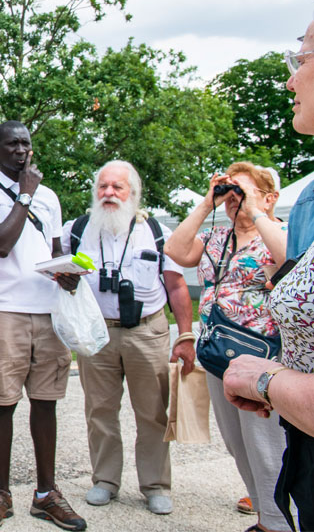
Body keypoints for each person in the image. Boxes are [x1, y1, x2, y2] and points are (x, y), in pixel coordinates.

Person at [0, 121, 87, 531]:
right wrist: (26, 194)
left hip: (48, 309)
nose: (22, 151)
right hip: (4, 311)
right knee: (3, 401)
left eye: (27, 144)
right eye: (13, 144)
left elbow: (52, 251)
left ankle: (46, 493)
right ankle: (1, 491)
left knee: (46, 401)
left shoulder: (49, 198)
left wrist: (65, 274)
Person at [58, 160, 196, 515]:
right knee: (100, 410)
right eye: (103, 187)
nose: (109, 194)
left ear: (133, 194)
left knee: (152, 412)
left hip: (147, 331)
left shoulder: (157, 232)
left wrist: (185, 333)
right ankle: (105, 480)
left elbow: (177, 286)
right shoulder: (76, 230)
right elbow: (58, 272)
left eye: (118, 187)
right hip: (97, 332)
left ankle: (155, 485)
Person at [164, 161, 292, 532]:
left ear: (271, 198)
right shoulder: (217, 239)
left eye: (244, 192)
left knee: (267, 448)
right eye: (230, 194)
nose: (234, 201)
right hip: (219, 355)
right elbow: (176, 248)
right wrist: (208, 203)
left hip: (261, 357)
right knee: (238, 445)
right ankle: (266, 517)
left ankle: (279, 522)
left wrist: (255, 210)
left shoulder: (278, 232)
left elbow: (290, 261)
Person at [223, 17, 314, 532]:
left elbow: (285, 259)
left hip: (263, 365)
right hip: (289, 412)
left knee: (264, 456)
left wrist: (267, 377)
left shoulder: (287, 214)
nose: (288, 80)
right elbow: (181, 254)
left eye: (299, 59)